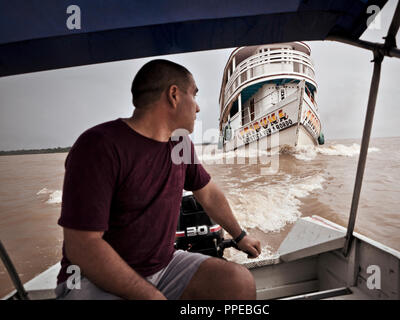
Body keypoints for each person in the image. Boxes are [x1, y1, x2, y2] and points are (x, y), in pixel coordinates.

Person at [54, 59, 262, 300]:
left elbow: (208, 193)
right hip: (92, 279)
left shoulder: (180, 144)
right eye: (194, 95)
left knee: (238, 283)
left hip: (163, 268)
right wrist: (150, 296)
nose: (197, 108)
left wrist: (240, 236)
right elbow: (82, 246)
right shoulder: (99, 146)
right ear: (174, 95)